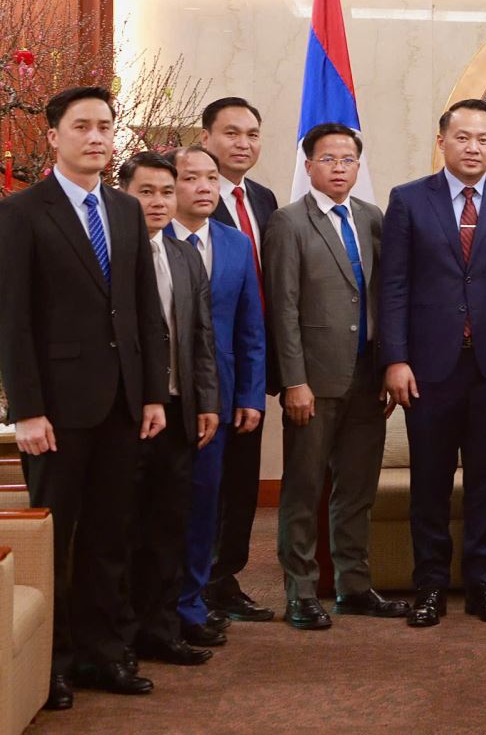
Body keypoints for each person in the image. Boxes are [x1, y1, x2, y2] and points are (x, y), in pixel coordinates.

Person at [0, 86, 167, 707]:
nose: (96, 137)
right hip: (56, 410)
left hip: (122, 403)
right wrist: (27, 410)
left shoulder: (124, 209)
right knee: (55, 540)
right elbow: (11, 320)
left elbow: (144, 309)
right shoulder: (21, 212)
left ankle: (103, 653)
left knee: (110, 535)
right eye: (82, 126)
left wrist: (152, 395)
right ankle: (52, 662)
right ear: (54, 136)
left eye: (105, 126)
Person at [381, 99, 486, 629]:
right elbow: (394, 287)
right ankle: (429, 586)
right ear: (442, 142)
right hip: (428, 369)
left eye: (483, 139)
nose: (473, 147)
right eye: (463, 137)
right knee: (430, 482)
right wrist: (395, 359)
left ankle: (483, 585)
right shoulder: (408, 200)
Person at [265, 123, 409, 630]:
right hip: (313, 380)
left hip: (367, 377)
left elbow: (383, 296)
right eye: (328, 159)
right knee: (303, 490)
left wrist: (387, 364)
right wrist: (294, 381)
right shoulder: (288, 223)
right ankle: (301, 593)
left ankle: (354, 586)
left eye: (348, 160)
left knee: (357, 490)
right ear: (309, 167)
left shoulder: (371, 217)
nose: (339, 168)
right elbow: (282, 308)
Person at [117, 152, 220, 667]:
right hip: (125, 415)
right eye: (145, 192)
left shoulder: (184, 255)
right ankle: (120, 637)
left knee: (168, 526)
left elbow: (201, 337)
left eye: (165, 191)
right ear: (122, 195)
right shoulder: (111, 254)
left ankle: (161, 629)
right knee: (123, 529)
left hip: (180, 412)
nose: (158, 202)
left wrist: (207, 402)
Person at [164, 145, 266, 645]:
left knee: (208, 502)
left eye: (211, 178)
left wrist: (251, 394)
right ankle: (159, 605)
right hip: (162, 396)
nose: (204, 187)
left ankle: (194, 602)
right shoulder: (150, 240)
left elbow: (251, 327)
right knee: (164, 505)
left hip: (221, 396)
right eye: (191, 178)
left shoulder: (235, 243)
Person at [199, 96, 278, 624]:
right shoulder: (190, 196)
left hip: (253, 361)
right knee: (205, 483)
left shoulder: (263, 199)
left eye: (252, 134)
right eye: (231, 133)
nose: (243, 143)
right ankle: (195, 584)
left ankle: (225, 578)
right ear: (206, 137)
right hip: (204, 367)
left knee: (242, 481)